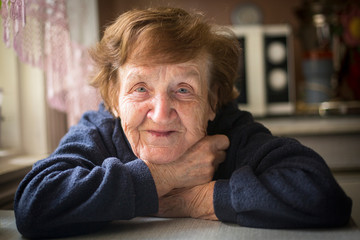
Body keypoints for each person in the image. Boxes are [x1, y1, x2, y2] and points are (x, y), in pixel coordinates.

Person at [14, 7, 352, 239]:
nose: (161, 113)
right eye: (141, 88)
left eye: (184, 90)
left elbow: (323, 196)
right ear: (114, 98)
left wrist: (195, 200)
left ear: (212, 101)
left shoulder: (232, 131)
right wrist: (165, 177)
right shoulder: (100, 130)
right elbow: (34, 204)